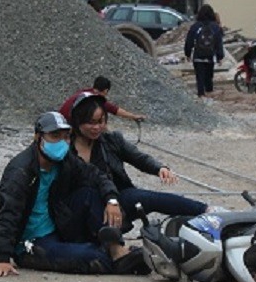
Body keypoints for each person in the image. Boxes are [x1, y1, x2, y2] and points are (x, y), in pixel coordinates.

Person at [0, 111, 148, 277]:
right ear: (38, 137)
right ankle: (121, 260)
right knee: (92, 257)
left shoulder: (64, 160)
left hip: (58, 226)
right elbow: (8, 212)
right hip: (31, 242)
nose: (62, 142)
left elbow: (96, 175)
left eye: (66, 136)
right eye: (54, 136)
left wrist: (112, 200)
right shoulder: (20, 170)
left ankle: (117, 250)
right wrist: (3, 257)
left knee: (88, 193)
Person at [67, 93, 207, 227]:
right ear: (78, 121)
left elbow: (138, 158)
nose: (97, 127)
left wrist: (159, 168)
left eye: (101, 121)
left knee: (146, 197)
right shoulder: (64, 149)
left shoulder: (112, 140)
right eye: (91, 123)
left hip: (117, 198)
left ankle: (205, 211)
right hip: (82, 206)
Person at [59, 75, 145, 122]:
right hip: (68, 124)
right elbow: (115, 110)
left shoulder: (84, 92)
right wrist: (134, 116)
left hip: (60, 120)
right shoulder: (95, 99)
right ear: (106, 90)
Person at [184, 4, 225, 98]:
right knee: (209, 76)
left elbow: (189, 41)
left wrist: (188, 53)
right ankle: (209, 92)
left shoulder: (195, 26)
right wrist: (220, 56)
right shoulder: (215, 27)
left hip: (198, 56)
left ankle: (201, 94)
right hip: (210, 56)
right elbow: (218, 42)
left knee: (200, 77)